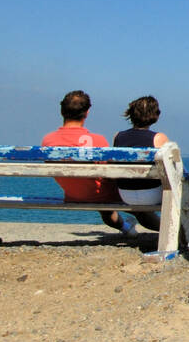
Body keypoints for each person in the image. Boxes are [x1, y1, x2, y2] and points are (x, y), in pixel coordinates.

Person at [42, 90, 138, 237]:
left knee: (104, 204)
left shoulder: (48, 141)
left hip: (72, 195)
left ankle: (126, 228)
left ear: (62, 111)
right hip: (101, 195)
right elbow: (109, 173)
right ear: (87, 112)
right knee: (136, 198)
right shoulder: (97, 140)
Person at [112, 96, 166, 232]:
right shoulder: (158, 138)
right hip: (151, 194)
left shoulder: (118, 136)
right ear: (155, 115)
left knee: (142, 212)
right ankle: (178, 233)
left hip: (125, 194)